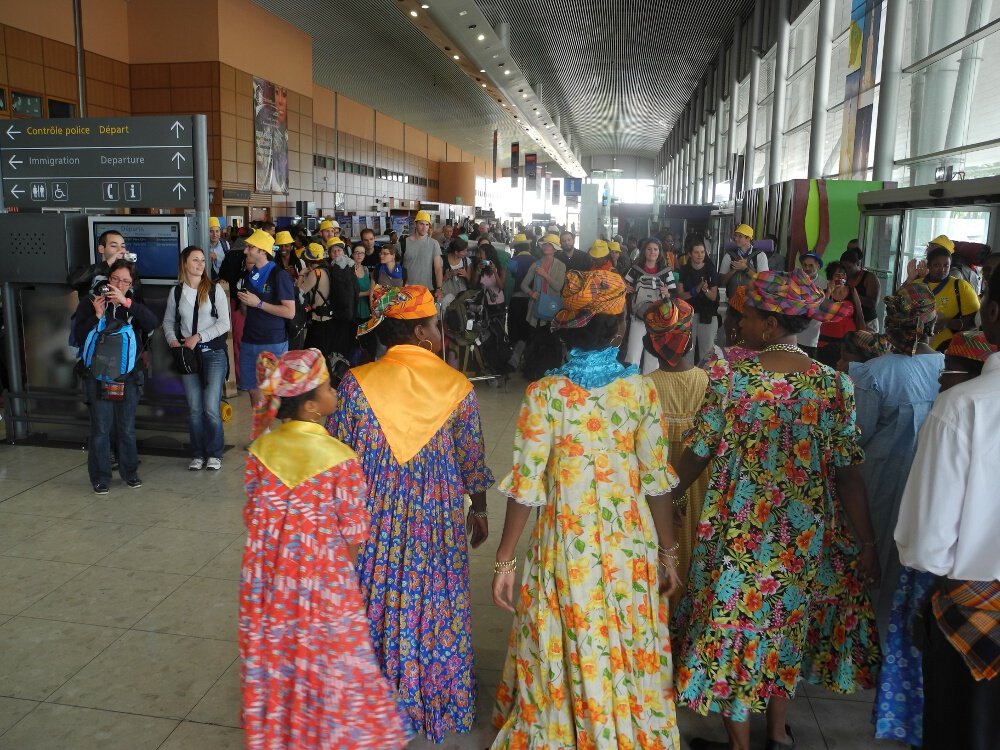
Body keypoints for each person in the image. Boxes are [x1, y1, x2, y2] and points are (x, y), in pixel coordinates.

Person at [668, 269, 880, 750]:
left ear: (769, 325)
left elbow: (700, 450)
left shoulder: (730, 378)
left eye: (745, 316)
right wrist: (867, 544)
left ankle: (742, 744)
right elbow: (848, 472)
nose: (737, 323)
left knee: (737, 630)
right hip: (800, 538)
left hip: (736, 535)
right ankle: (778, 733)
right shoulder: (832, 386)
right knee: (785, 627)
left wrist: (675, 499)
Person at [490, 269, 681, 750]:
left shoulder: (545, 394)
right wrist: (669, 552)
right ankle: (621, 723)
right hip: (627, 541)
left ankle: (563, 725)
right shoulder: (639, 390)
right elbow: (656, 481)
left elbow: (526, 487)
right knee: (621, 628)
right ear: (619, 330)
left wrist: (506, 558)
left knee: (567, 625)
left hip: (566, 541)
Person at [330, 285, 494, 742]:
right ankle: (435, 699)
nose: (442, 331)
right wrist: (478, 510)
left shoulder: (356, 382)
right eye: (437, 324)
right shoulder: (456, 386)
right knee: (433, 598)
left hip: (375, 514)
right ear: (421, 333)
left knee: (378, 596)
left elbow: (338, 453)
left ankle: (373, 703)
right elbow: (471, 459)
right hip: (436, 517)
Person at [240, 348, 409, 750]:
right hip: (324, 583)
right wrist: (343, 583)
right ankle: (327, 733)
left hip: (269, 584)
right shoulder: (341, 458)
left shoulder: (261, 452)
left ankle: (285, 733)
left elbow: (252, 517)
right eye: (330, 387)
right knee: (328, 658)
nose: (337, 393)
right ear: (313, 406)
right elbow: (353, 533)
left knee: (280, 652)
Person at [893, 263, 1000, 750]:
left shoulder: (964, 405)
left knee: (967, 732)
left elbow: (928, 546)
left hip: (974, 615)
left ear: (992, 314)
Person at [848, 283, 942, 638]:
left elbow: (857, 438)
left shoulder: (874, 373)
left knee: (874, 552)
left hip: (879, 479)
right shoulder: (946, 367)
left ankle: (867, 637)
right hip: (929, 481)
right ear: (933, 321)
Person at [643, 297, 711, 612]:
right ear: (690, 340)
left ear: (652, 346)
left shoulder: (643, 388)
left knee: (661, 553)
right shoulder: (711, 384)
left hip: (656, 494)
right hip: (703, 488)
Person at [73, 259, 159, 494]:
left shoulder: (132, 302)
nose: (119, 284)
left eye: (125, 281)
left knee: (126, 427)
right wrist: (97, 316)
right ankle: (100, 477)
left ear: (131, 284)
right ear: (107, 279)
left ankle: (129, 472)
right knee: (101, 428)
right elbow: (78, 336)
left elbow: (152, 322)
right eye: (115, 279)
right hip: (97, 374)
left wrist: (126, 302)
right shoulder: (90, 302)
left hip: (128, 375)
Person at [162, 246, 232, 471]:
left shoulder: (214, 290)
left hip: (213, 354)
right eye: (195, 260)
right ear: (185, 264)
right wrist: (173, 339)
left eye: (202, 260)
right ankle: (198, 453)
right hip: (188, 356)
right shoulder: (176, 292)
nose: (200, 264)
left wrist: (199, 336)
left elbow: (224, 323)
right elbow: (168, 321)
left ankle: (214, 453)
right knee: (194, 408)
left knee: (211, 407)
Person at [236, 228, 296, 405]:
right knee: (252, 390)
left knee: (272, 392)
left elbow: (289, 311)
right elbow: (248, 309)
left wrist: (259, 304)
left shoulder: (279, 276)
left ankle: (272, 430)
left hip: (273, 341)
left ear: (262, 251)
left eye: (250, 248)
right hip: (249, 340)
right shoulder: (251, 274)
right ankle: (263, 431)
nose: (246, 251)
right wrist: (244, 303)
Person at [906, 242, 980, 351]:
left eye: (946, 265)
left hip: (948, 349)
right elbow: (898, 308)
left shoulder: (961, 286)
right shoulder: (917, 284)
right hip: (916, 348)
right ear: (929, 266)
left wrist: (947, 323)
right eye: (937, 265)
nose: (942, 269)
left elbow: (974, 322)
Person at [624, 237, 676, 374]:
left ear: (660, 252)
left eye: (655, 249)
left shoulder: (666, 272)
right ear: (644, 251)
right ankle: (631, 388)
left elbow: (675, 295)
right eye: (649, 249)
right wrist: (626, 288)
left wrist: (668, 293)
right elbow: (623, 284)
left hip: (658, 321)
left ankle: (650, 390)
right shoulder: (635, 270)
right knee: (633, 355)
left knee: (653, 359)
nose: (652, 252)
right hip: (638, 319)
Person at [521, 234, 567, 380]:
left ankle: (551, 372)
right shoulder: (536, 264)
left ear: (555, 249)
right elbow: (523, 285)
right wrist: (531, 292)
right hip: (536, 308)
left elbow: (558, 286)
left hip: (553, 308)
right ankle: (534, 373)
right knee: (535, 339)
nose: (547, 247)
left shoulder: (560, 265)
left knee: (552, 340)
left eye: (550, 245)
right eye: (545, 244)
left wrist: (545, 275)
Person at [677, 240, 721, 364]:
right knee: (687, 350)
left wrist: (705, 289)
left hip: (707, 314)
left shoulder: (711, 270)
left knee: (707, 351)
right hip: (688, 314)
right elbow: (680, 296)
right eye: (696, 252)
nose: (700, 255)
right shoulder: (684, 270)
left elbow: (713, 296)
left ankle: (706, 380)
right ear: (690, 254)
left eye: (702, 252)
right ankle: (688, 379)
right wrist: (695, 290)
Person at [816, 261, 866, 368]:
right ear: (830, 277)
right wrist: (829, 292)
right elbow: (821, 314)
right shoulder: (824, 292)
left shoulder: (851, 291)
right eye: (837, 274)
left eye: (843, 274)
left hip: (847, 343)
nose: (841, 277)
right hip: (825, 341)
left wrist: (862, 338)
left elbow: (859, 315)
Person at [402, 210, 444, 298]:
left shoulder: (434, 244)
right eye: (421, 224)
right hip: (408, 290)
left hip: (427, 290)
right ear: (415, 224)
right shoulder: (403, 243)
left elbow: (438, 268)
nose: (424, 227)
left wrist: (439, 288)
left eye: (427, 225)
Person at [719, 224, 768, 298]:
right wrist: (733, 270)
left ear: (748, 238)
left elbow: (763, 282)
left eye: (740, 236)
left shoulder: (760, 256)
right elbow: (722, 282)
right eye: (735, 236)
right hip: (733, 300)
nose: (736, 239)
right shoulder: (729, 256)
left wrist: (745, 268)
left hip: (753, 302)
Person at [840, 247, 882, 330]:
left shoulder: (870, 278)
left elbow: (873, 304)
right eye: (843, 268)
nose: (846, 271)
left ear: (858, 264)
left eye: (849, 267)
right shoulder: (843, 277)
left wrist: (851, 294)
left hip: (868, 322)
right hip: (849, 321)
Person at [796, 252, 827, 357]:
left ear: (818, 266)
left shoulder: (826, 285)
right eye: (804, 265)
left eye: (810, 265)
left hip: (811, 336)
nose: (807, 268)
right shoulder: (795, 281)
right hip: (793, 333)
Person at [351, 244, 375, 362]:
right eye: (357, 252)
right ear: (352, 254)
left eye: (362, 253)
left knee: (368, 342)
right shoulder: (349, 270)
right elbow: (349, 294)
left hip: (367, 310)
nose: (360, 255)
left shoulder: (365, 269)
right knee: (356, 343)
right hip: (355, 312)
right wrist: (367, 293)